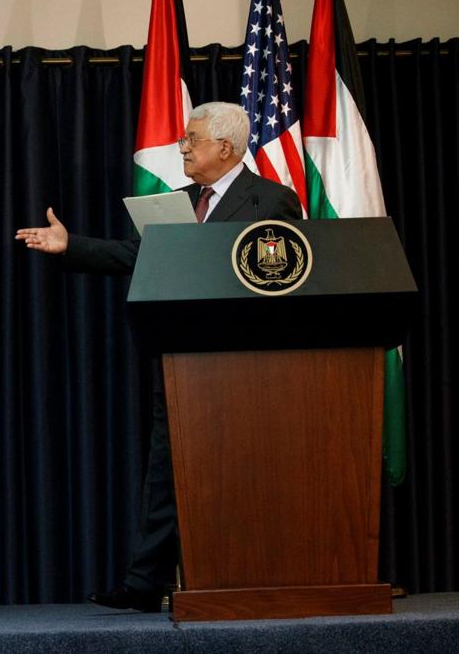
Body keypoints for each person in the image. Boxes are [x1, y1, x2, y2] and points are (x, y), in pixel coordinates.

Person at [15, 101, 302, 612]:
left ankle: (239, 575)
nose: (183, 147)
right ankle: (145, 584)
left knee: (239, 471)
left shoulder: (272, 200)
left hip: (243, 365)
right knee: (167, 472)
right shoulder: (181, 200)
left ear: (226, 148)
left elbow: (275, 275)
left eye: (192, 139)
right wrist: (71, 245)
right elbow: (135, 254)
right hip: (178, 356)